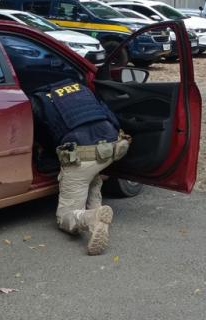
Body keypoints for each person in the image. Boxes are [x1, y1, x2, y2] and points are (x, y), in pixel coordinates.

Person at [31, 79, 131, 255]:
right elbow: (110, 116)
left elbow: (46, 138)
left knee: (65, 217)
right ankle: (97, 211)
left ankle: (91, 219)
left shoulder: (40, 100)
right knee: (91, 174)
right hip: (113, 148)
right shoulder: (80, 88)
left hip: (82, 158)